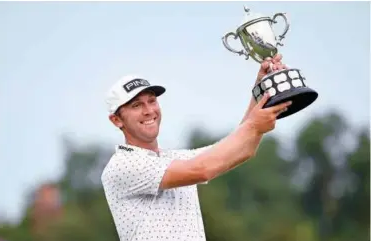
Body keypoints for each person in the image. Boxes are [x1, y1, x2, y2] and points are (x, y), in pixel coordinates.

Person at [101, 54, 292, 241]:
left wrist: (262, 90)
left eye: (152, 101)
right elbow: (202, 170)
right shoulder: (122, 164)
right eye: (136, 105)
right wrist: (253, 125)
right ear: (116, 120)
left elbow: (241, 148)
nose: (149, 110)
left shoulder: (174, 159)